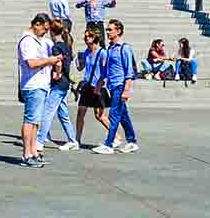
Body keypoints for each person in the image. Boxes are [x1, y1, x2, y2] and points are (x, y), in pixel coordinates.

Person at [17, 13, 60, 167]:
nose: (45, 32)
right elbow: (31, 63)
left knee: (36, 121)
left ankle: (34, 151)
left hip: (41, 84)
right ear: (37, 24)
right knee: (30, 120)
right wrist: (49, 61)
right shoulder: (28, 41)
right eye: (44, 29)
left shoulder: (41, 41)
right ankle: (26, 154)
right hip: (32, 84)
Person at [90, 19, 139, 155]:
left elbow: (129, 71)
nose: (108, 32)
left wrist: (126, 90)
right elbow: (106, 69)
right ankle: (132, 141)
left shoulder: (125, 48)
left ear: (118, 31)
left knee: (114, 114)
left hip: (120, 85)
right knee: (123, 115)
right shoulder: (110, 48)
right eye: (107, 29)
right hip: (112, 85)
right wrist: (99, 84)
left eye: (110, 29)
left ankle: (109, 144)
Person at [39, 18, 78, 151]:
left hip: (59, 83)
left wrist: (57, 73)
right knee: (63, 113)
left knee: (47, 111)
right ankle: (72, 140)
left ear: (51, 31)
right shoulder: (66, 45)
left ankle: (40, 140)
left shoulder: (56, 47)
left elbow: (58, 62)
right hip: (65, 83)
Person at [75, 28, 110, 145]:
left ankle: (116, 136)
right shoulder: (86, 51)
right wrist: (77, 60)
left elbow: (105, 71)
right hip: (87, 86)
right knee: (80, 113)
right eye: (85, 36)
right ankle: (77, 139)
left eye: (88, 36)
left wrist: (100, 85)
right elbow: (81, 68)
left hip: (97, 87)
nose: (86, 38)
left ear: (95, 37)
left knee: (99, 116)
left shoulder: (102, 53)